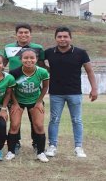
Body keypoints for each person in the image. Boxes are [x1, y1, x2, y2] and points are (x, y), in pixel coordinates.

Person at [45, 26, 98, 158]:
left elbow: (89, 71)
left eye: (65, 36)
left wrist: (94, 88)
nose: (62, 39)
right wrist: (50, 70)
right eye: (59, 37)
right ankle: (52, 146)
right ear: (55, 38)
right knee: (54, 120)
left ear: (70, 38)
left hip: (75, 92)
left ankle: (78, 147)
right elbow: (39, 63)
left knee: (76, 120)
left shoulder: (80, 53)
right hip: (56, 93)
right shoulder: (49, 52)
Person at [3, 23, 44, 154]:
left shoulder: (38, 48)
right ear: (16, 34)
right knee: (15, 121)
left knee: (36, 121)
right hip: (14, 90)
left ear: (30, 34)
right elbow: (2, 66)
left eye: (26, 32)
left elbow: (42, 66)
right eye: (20, 32)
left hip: (33, 91)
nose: (23, 35)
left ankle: (37, 143)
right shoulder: (8, 48)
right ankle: (15, 144)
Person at [6, 49, 50, 162]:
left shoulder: (42, 72)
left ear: (36, 59)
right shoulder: (14, 73)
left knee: (39, 125)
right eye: (25, 58)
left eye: (32, 58)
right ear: (21, 59)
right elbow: (10, 90)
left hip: (35, 100)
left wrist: (39, 102)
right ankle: (11, 151)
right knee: (14, 125)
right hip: (18, 100)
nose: (29, 60)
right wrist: (15, 104)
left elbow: (45, 87)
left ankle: (41, 152)